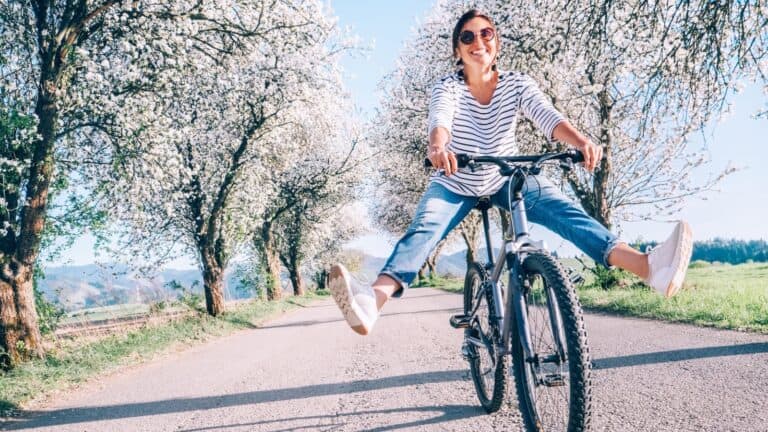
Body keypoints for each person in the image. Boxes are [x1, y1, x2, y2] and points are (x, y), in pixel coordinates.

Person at [329, 9, 693, 336]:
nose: (478, 42)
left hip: (507, 176)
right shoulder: (449, 87)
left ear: (496, 43)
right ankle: (371, 303)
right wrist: (438, 148)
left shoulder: (517, 83)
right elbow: (440, 121)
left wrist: (581, 142)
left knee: (566, 213)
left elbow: (547, 117)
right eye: (467, 37)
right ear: (458, 50)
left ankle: (648, 268)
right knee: (423, 230)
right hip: (456, 180)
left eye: (486, 34)